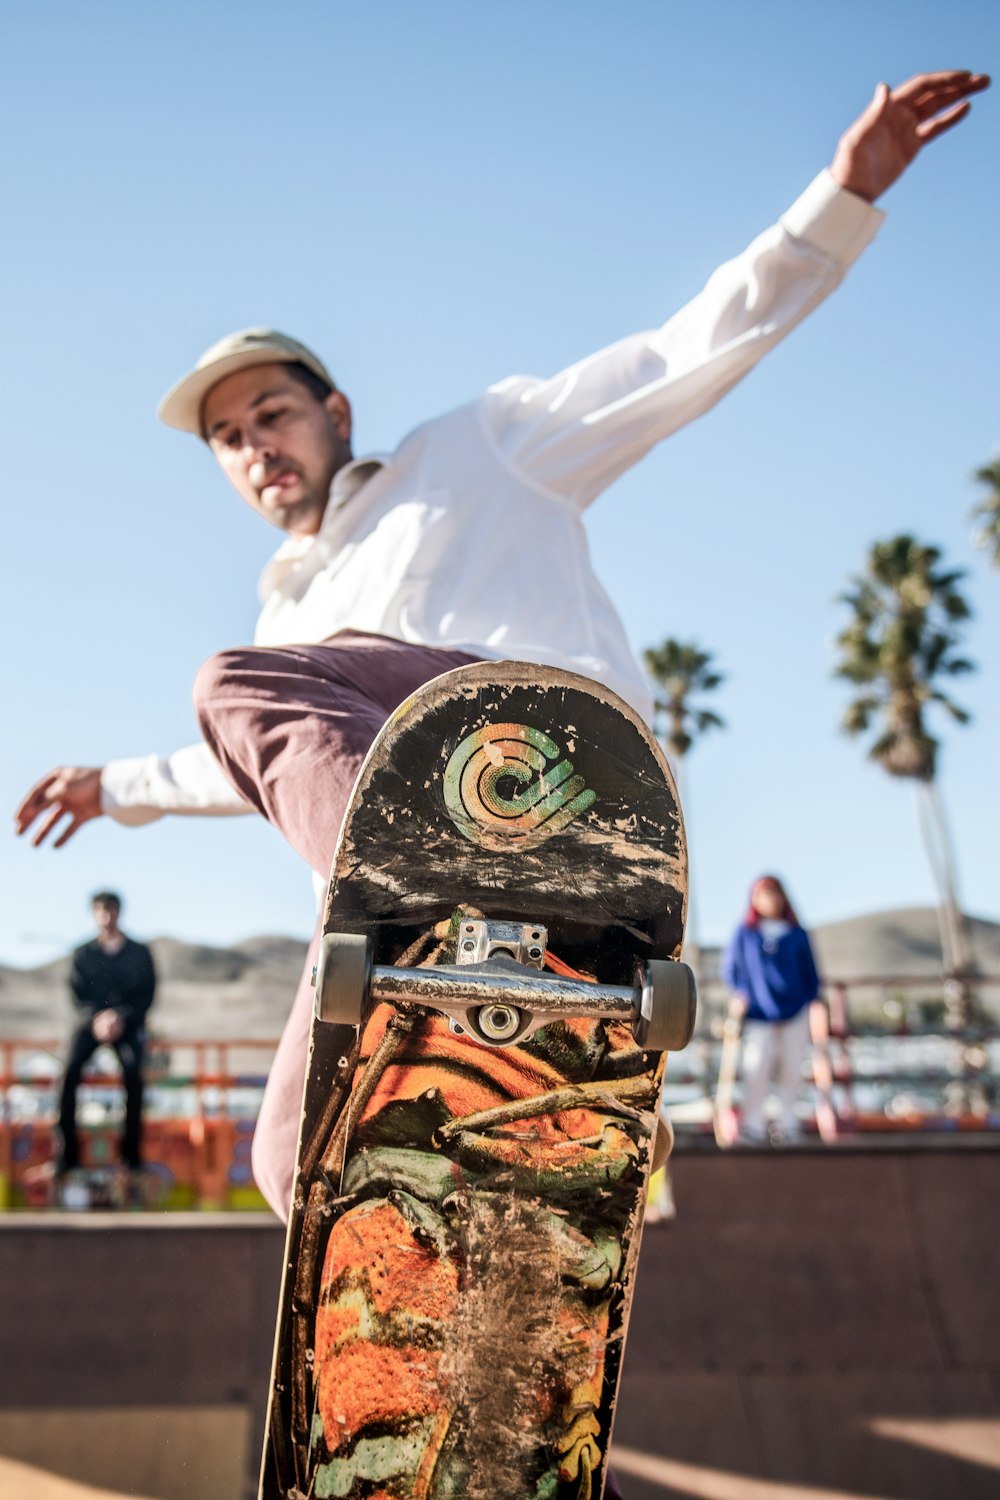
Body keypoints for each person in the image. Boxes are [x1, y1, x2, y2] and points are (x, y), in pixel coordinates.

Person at [14, 71, 988, 1221]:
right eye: (228, 441)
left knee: (235, 682)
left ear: (335, 411)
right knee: (291, 1160)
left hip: (558, 768)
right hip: (453, 893)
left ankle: (442, 903)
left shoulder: (480, 449)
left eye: (271, 414)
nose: (254, 449)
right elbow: (227, 756)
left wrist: (840, 198)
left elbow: (683, 355)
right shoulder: (284, 616)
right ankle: (469, 1296)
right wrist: (111, 787)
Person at [58, 891, 156, 1179]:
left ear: (119, 912)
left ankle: (131, 1156)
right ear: (94, 914)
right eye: (100, 910)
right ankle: (67, 1156)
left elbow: (147, 994)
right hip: (90, 1025)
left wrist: (120, 1017)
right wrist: (96, 1019)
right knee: (68, 1073)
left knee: (134, 1074)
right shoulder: (83, 953)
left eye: (111, 909)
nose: (106, 915)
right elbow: (76, 996)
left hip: (127, 1026)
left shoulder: (139, 953)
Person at [722, 875, 821, 1143]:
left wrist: (806, 1002)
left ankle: (787, 1123)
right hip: (758, 1014)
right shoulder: (745, 934)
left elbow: (811, 976)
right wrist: (741, 995)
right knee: (756, 1067)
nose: (770, 900)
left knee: (792, 1068)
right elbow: (732, 971)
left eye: (775, 894)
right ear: (754, 899)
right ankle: (752, 1124)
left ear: (783, 898)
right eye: (764, 894)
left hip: (794, 1013)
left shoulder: (797, 935)